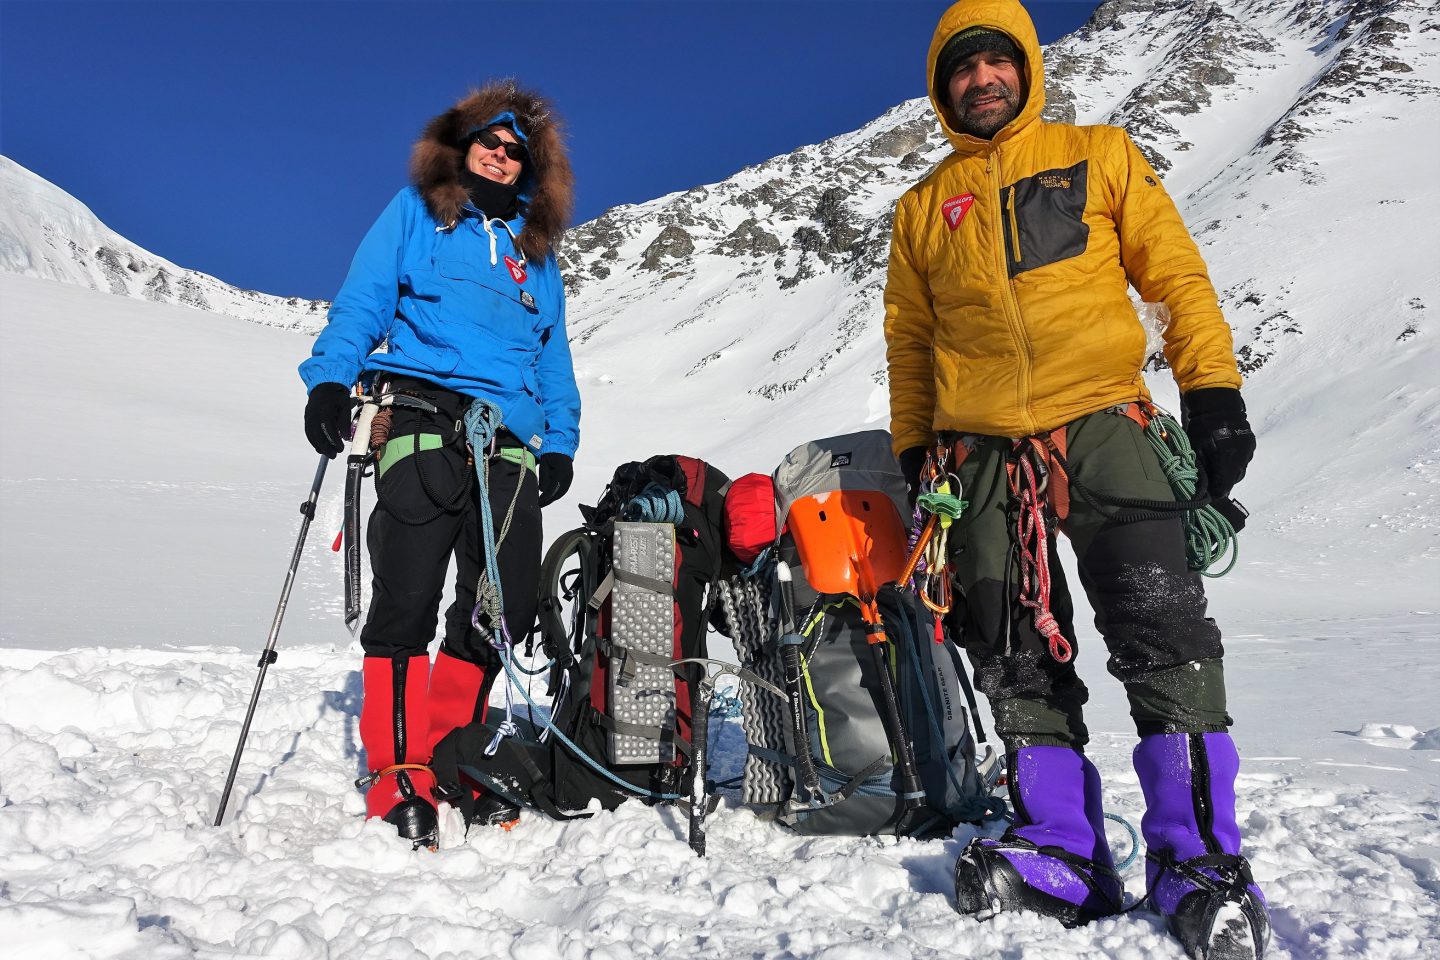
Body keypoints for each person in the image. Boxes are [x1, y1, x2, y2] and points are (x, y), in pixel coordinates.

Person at [883, 2, 1267, 957]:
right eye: (962, 68)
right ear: (942, 88)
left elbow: (1174, 276)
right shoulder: (923, 208)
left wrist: (1212, 391)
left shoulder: (1098, 154)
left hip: (1105, 420)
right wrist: (914, 447)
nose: (981, 80)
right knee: (1011, 652)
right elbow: (909, 342)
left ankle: (1199, 863)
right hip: (975, 454)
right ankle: (1060, 848)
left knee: (1164, 632)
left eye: (996, 62)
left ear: (1026, 70)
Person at [299, 80, 579, 847]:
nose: (501, 155)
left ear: (532, 167)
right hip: (423, 418)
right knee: (409, 599)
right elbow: (364, 297)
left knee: (505, 605)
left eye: (517, 149)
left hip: (511, 445)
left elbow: (552, 354)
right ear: (463, 146)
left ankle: (449, 750)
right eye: (489, 141)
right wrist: (330, 377)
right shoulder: (417, 214)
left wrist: (561, 441)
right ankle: (397, 769)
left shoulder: (535, 250)